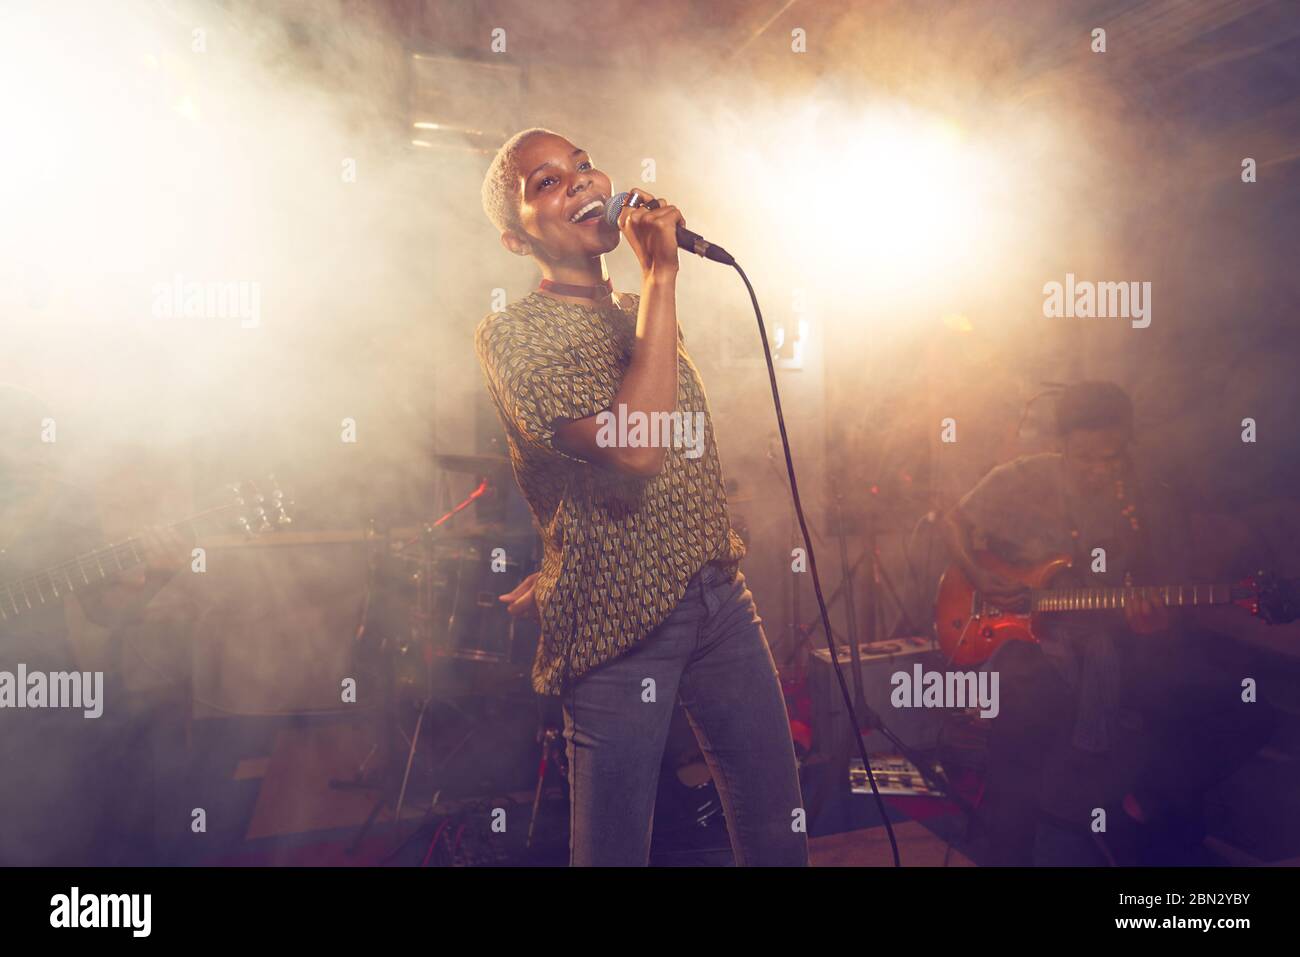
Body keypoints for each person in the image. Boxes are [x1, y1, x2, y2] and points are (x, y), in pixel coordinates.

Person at [474, 128, 808, 866]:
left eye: (584, 165)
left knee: (777, 832)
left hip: (719, 598)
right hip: (617, 627)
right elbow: (636, 448)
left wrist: (572, 546)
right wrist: (660, 276)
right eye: (548, 182)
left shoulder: (639, 306)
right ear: (513, 239)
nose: (582, 183)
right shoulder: (512, 334)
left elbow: (671, 455)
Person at [942, 381, 1277, 865]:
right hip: (1032, 648)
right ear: (1060, 447)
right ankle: (1013, 847)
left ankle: (1144, 804)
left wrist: (1153, 624)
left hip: (1114, 646)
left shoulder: (1150, 498)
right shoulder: (1024, 477)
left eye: (1111, 457)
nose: (1099, 470)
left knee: (1247, 713)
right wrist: (980, 576)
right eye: (1085, 459)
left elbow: (1161, 585)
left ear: (1128, 442)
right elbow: (952, 521)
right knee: (1015, 728)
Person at [0, 384, 190, 865]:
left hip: (39, 690)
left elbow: (104, 610)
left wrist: (153, 576)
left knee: (121, 737)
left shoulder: (65, 501)